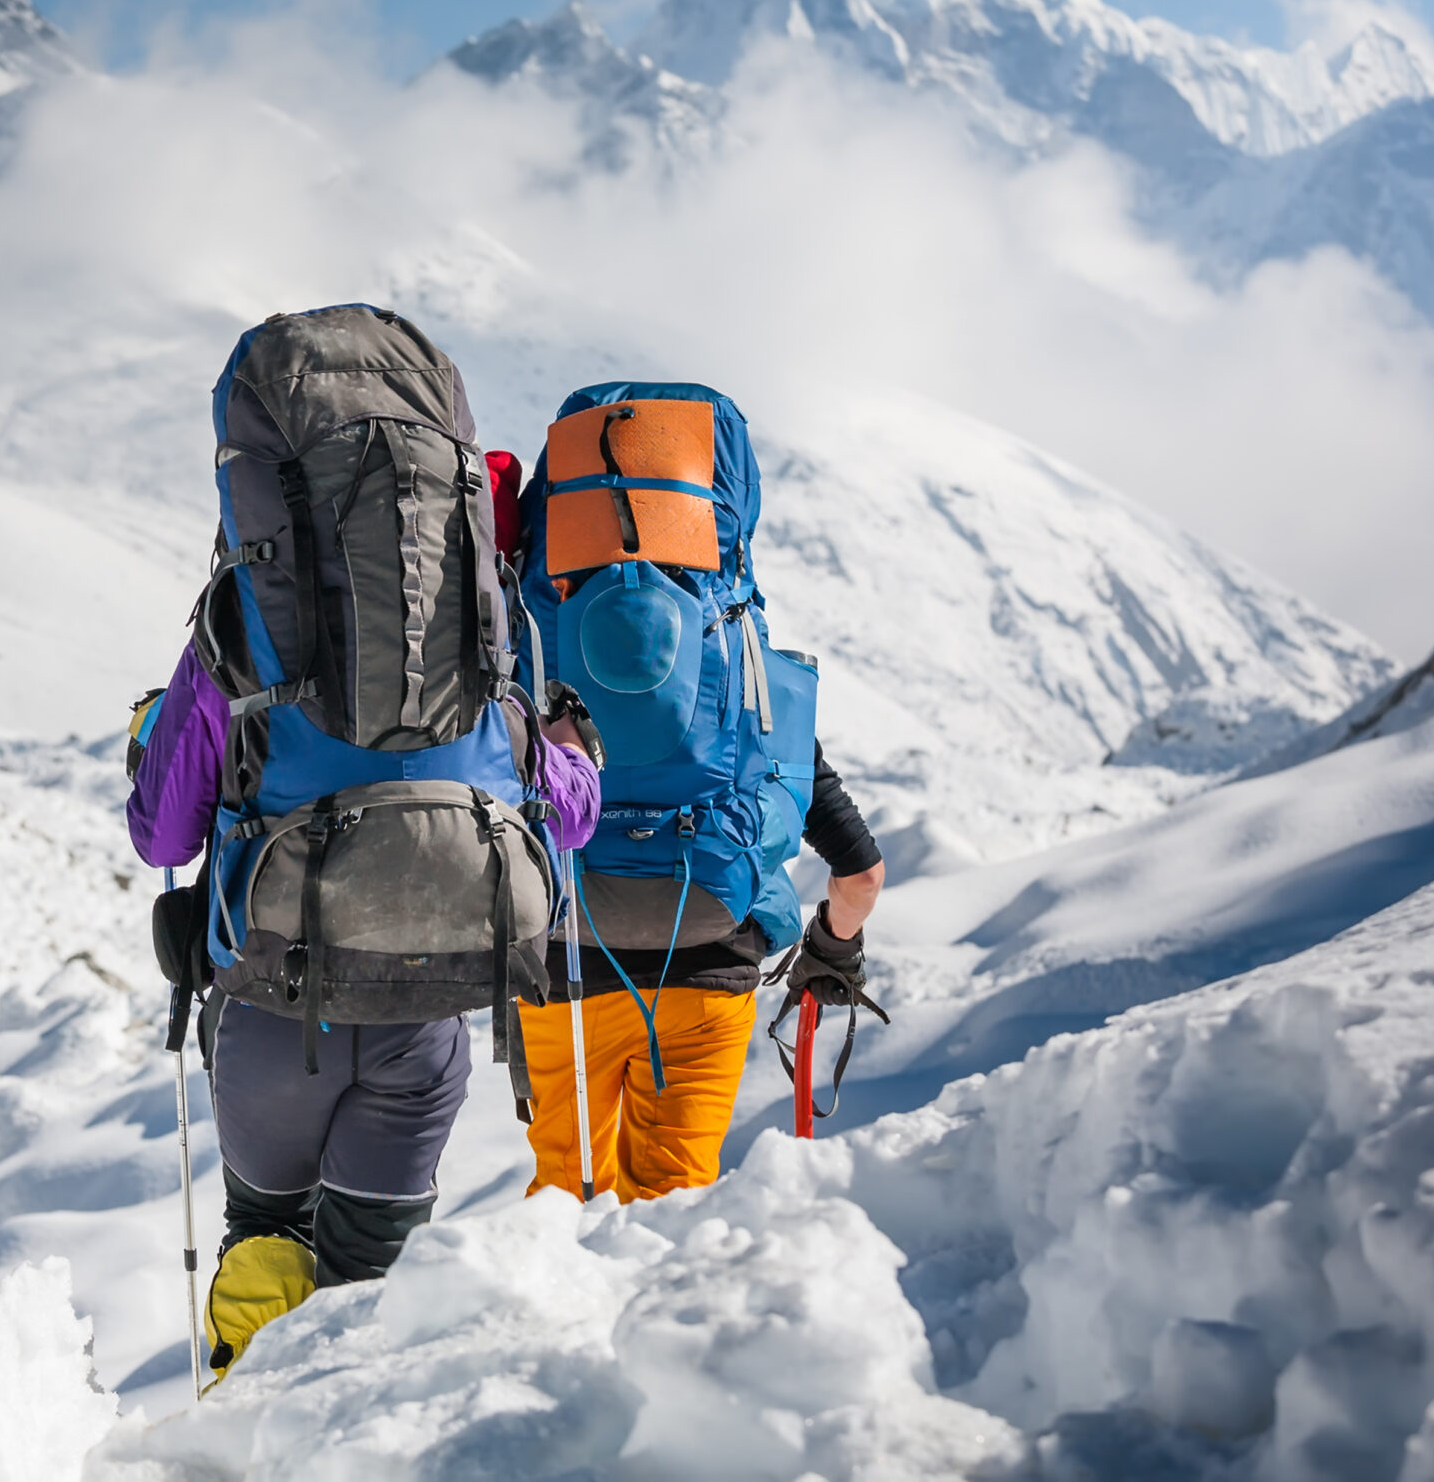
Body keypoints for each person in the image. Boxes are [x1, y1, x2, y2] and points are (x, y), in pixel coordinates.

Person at [128, 304, 602, 1379]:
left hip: (267, 1010)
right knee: (367, 1301)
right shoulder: (482, 643)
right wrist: (573, 747)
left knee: (265, 1248)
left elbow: (160, 833)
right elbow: (566, 817)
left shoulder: (237, 630)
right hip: (427, 1018)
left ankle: (241, 1435)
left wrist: (166, 736)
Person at [518, 746, 883, 1201]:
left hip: (568, 975)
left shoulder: (537, 681)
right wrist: (834, 949)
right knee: (672, 1202)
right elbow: (862, 877)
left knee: (563, 1193)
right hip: (709, 981)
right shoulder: (759, 695)